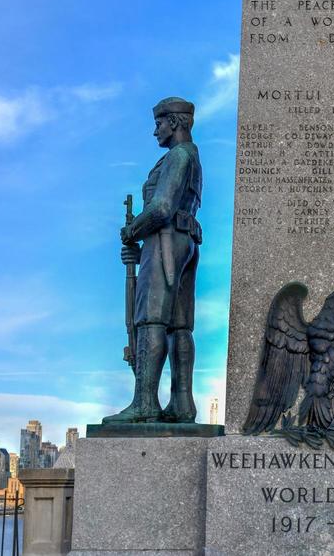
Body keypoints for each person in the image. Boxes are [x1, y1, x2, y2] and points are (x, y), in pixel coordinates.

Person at [103, 97, 203, 424]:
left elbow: (161, 209)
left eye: (159, 123)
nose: (155, 131)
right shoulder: (191, 157)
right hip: (183, 241)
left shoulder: (179, 156)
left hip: (165, 239)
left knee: (151, 319)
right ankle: (182, 404)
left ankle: (145, 403)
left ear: (174, 122)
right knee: (178, 325)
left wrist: (132, 230)